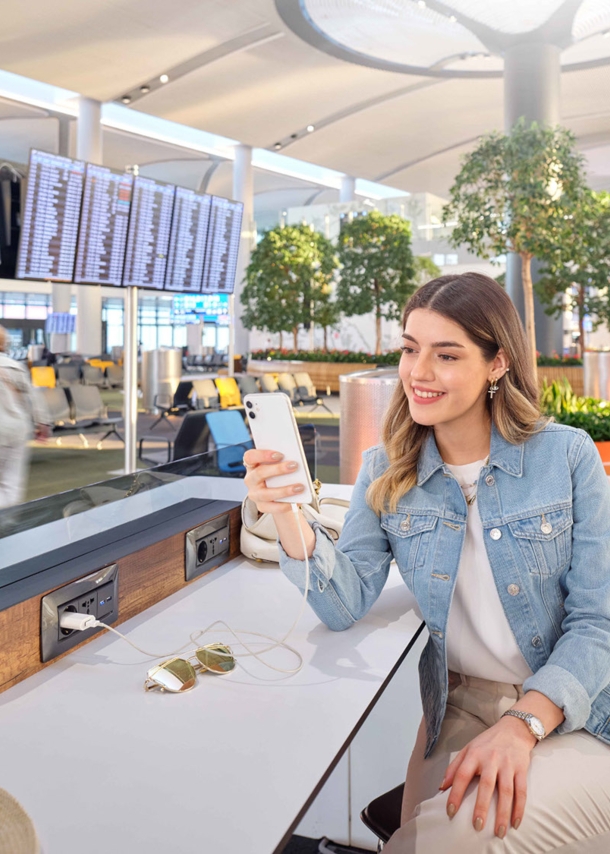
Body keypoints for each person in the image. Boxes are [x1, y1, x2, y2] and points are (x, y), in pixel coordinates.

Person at [243, 273, 610, 852]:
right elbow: (344, 603)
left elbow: (600, 624)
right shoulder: (386, 468)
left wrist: (524, 724)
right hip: (459, 706)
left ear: (497, 364)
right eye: (411, 348)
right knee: (413, 843)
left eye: (446, 354)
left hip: (580, 710)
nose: (418, 371)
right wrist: (287, 514)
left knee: (462, 838)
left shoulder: (566, 455)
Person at [0, 326, 50, 508]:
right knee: (10, 486)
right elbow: (34, 398)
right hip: (15, 430)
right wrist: (42, 423)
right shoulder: (16, 367)